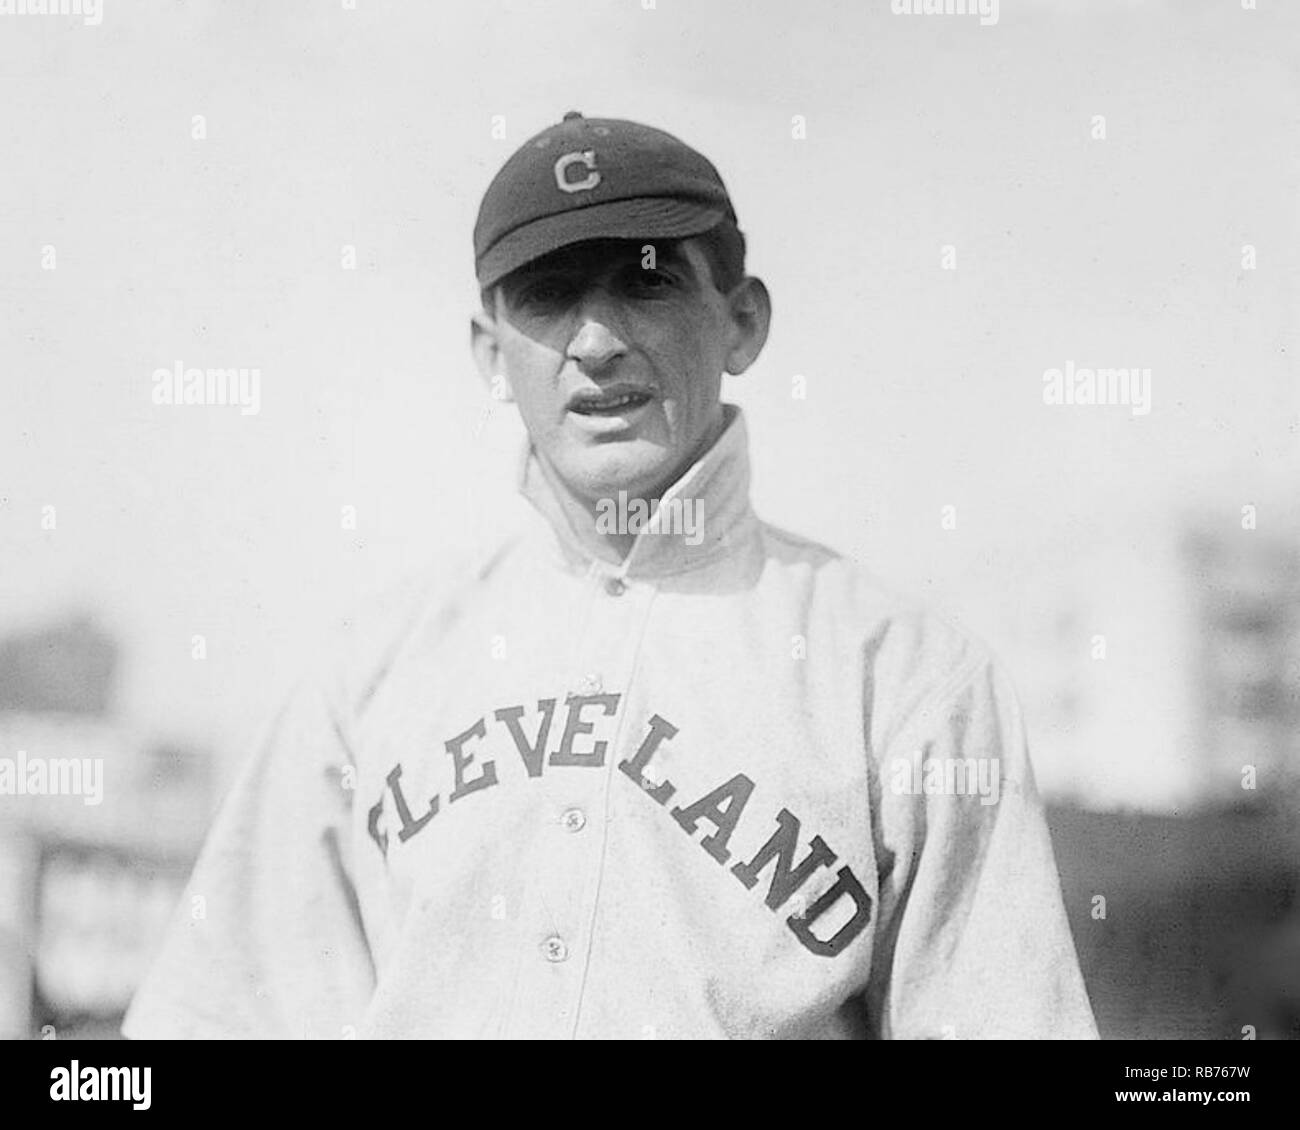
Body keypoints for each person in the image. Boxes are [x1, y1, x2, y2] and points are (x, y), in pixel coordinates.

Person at [122, 111, 1098, 1040]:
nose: (595, 342)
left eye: (646, 282)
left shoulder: (905, 675)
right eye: (547, 296)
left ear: (743, 321)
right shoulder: (372, 669)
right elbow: (213, 1021)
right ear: (489, 352)